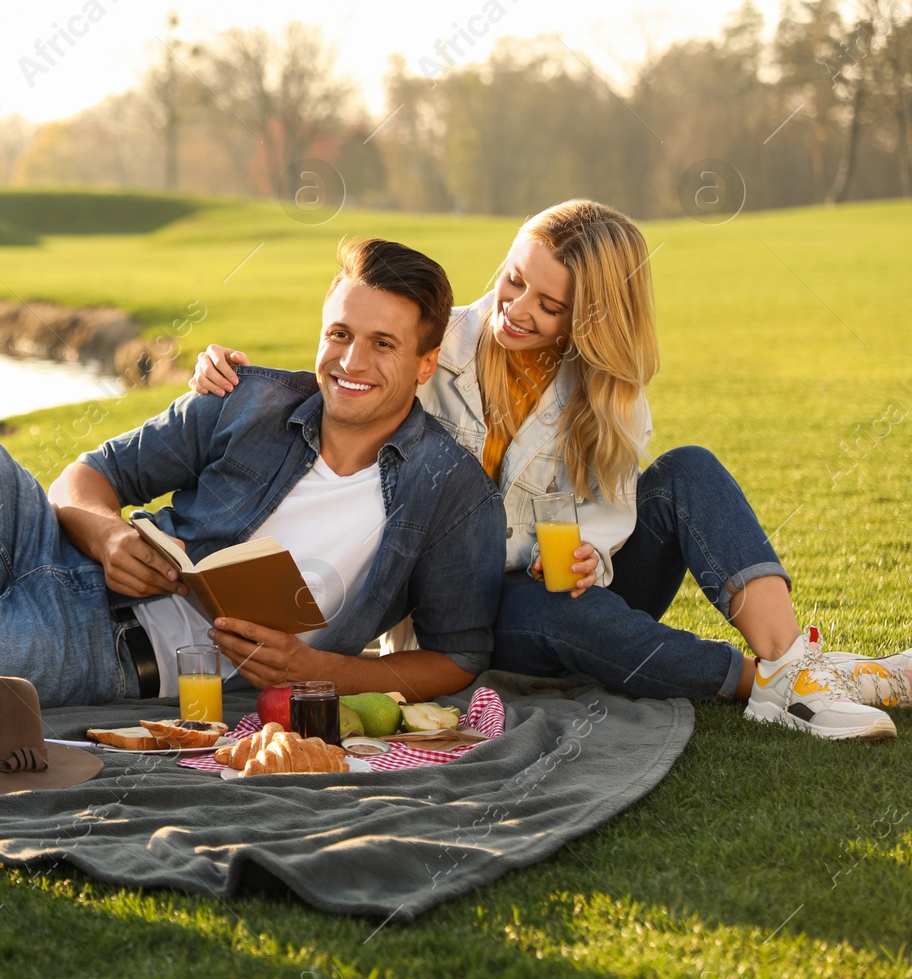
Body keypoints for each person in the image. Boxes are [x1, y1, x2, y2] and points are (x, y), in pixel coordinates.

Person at [0, 238, 509, 726]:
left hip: (115, 655)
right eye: (339, 333)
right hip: (57, 557)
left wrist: (322, 671)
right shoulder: (255, 398)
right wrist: (111, 533)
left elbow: (454, 657)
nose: (350, 363)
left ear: (425, 362)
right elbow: (88, 476)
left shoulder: (449, 488)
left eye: (382, 345)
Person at [190, 200, 909, 742]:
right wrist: (228, 372)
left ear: (587, 316)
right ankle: (765, 682)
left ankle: (788, 665)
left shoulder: (611, 398)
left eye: (549, 303)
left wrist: (595, 553)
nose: (516, 309)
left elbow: (610, 526)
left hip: (576, 591)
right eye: (513, 281)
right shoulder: (436, 347)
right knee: (547, 605)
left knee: (690, 470)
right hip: (471, 613)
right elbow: (345, 375)